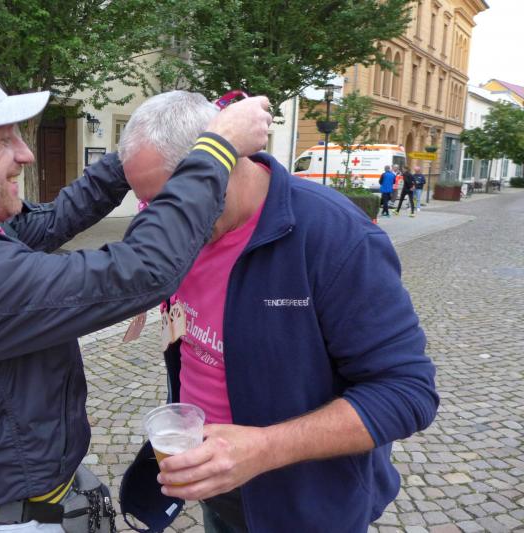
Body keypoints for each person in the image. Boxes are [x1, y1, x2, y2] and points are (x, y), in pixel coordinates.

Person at [0, 58, 273, 532]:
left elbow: (57, 218)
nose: (25, 154)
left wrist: (153, 143)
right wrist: (214, 148)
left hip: (18, 505)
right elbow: (142, 270)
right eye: (3, 139)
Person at [117, 91, 439, 533]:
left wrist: (263, 448)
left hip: (305, 504)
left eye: (171, 201)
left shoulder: (335, 236)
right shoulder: (176, 232)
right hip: (216, 481)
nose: (159, 222)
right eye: (147, 205)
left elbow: (407, 392)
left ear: (222, 165)